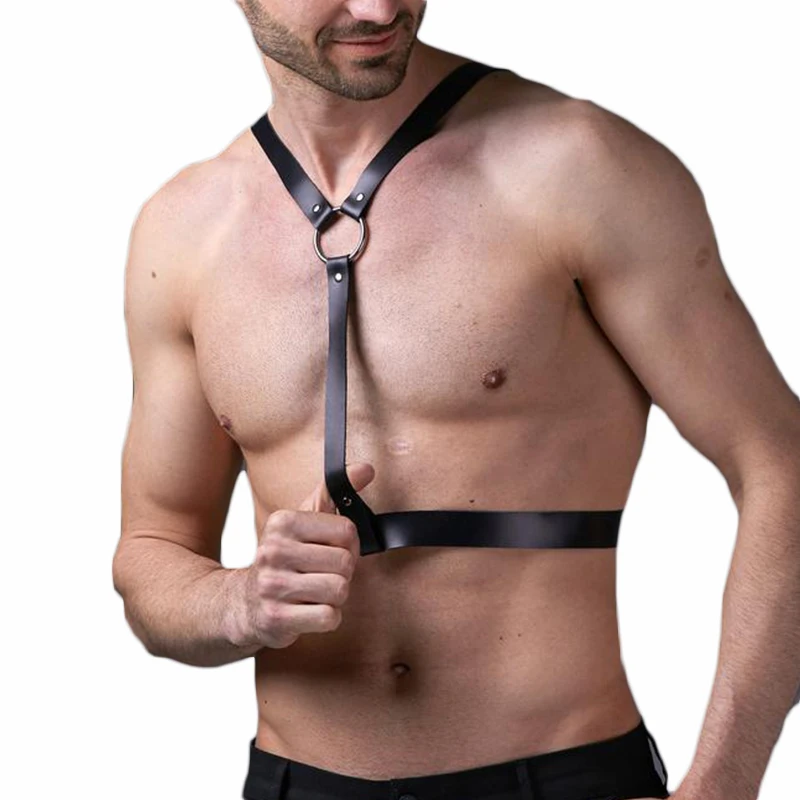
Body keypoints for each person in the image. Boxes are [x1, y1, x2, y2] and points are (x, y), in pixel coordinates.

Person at [113, 2, 800, 799]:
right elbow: (152, 549)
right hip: (294, 782)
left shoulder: (578, 166)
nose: (379, 8)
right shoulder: (183, 232)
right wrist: (235, 603)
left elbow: (779, 461)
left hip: (559, 780)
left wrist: (722, 786)